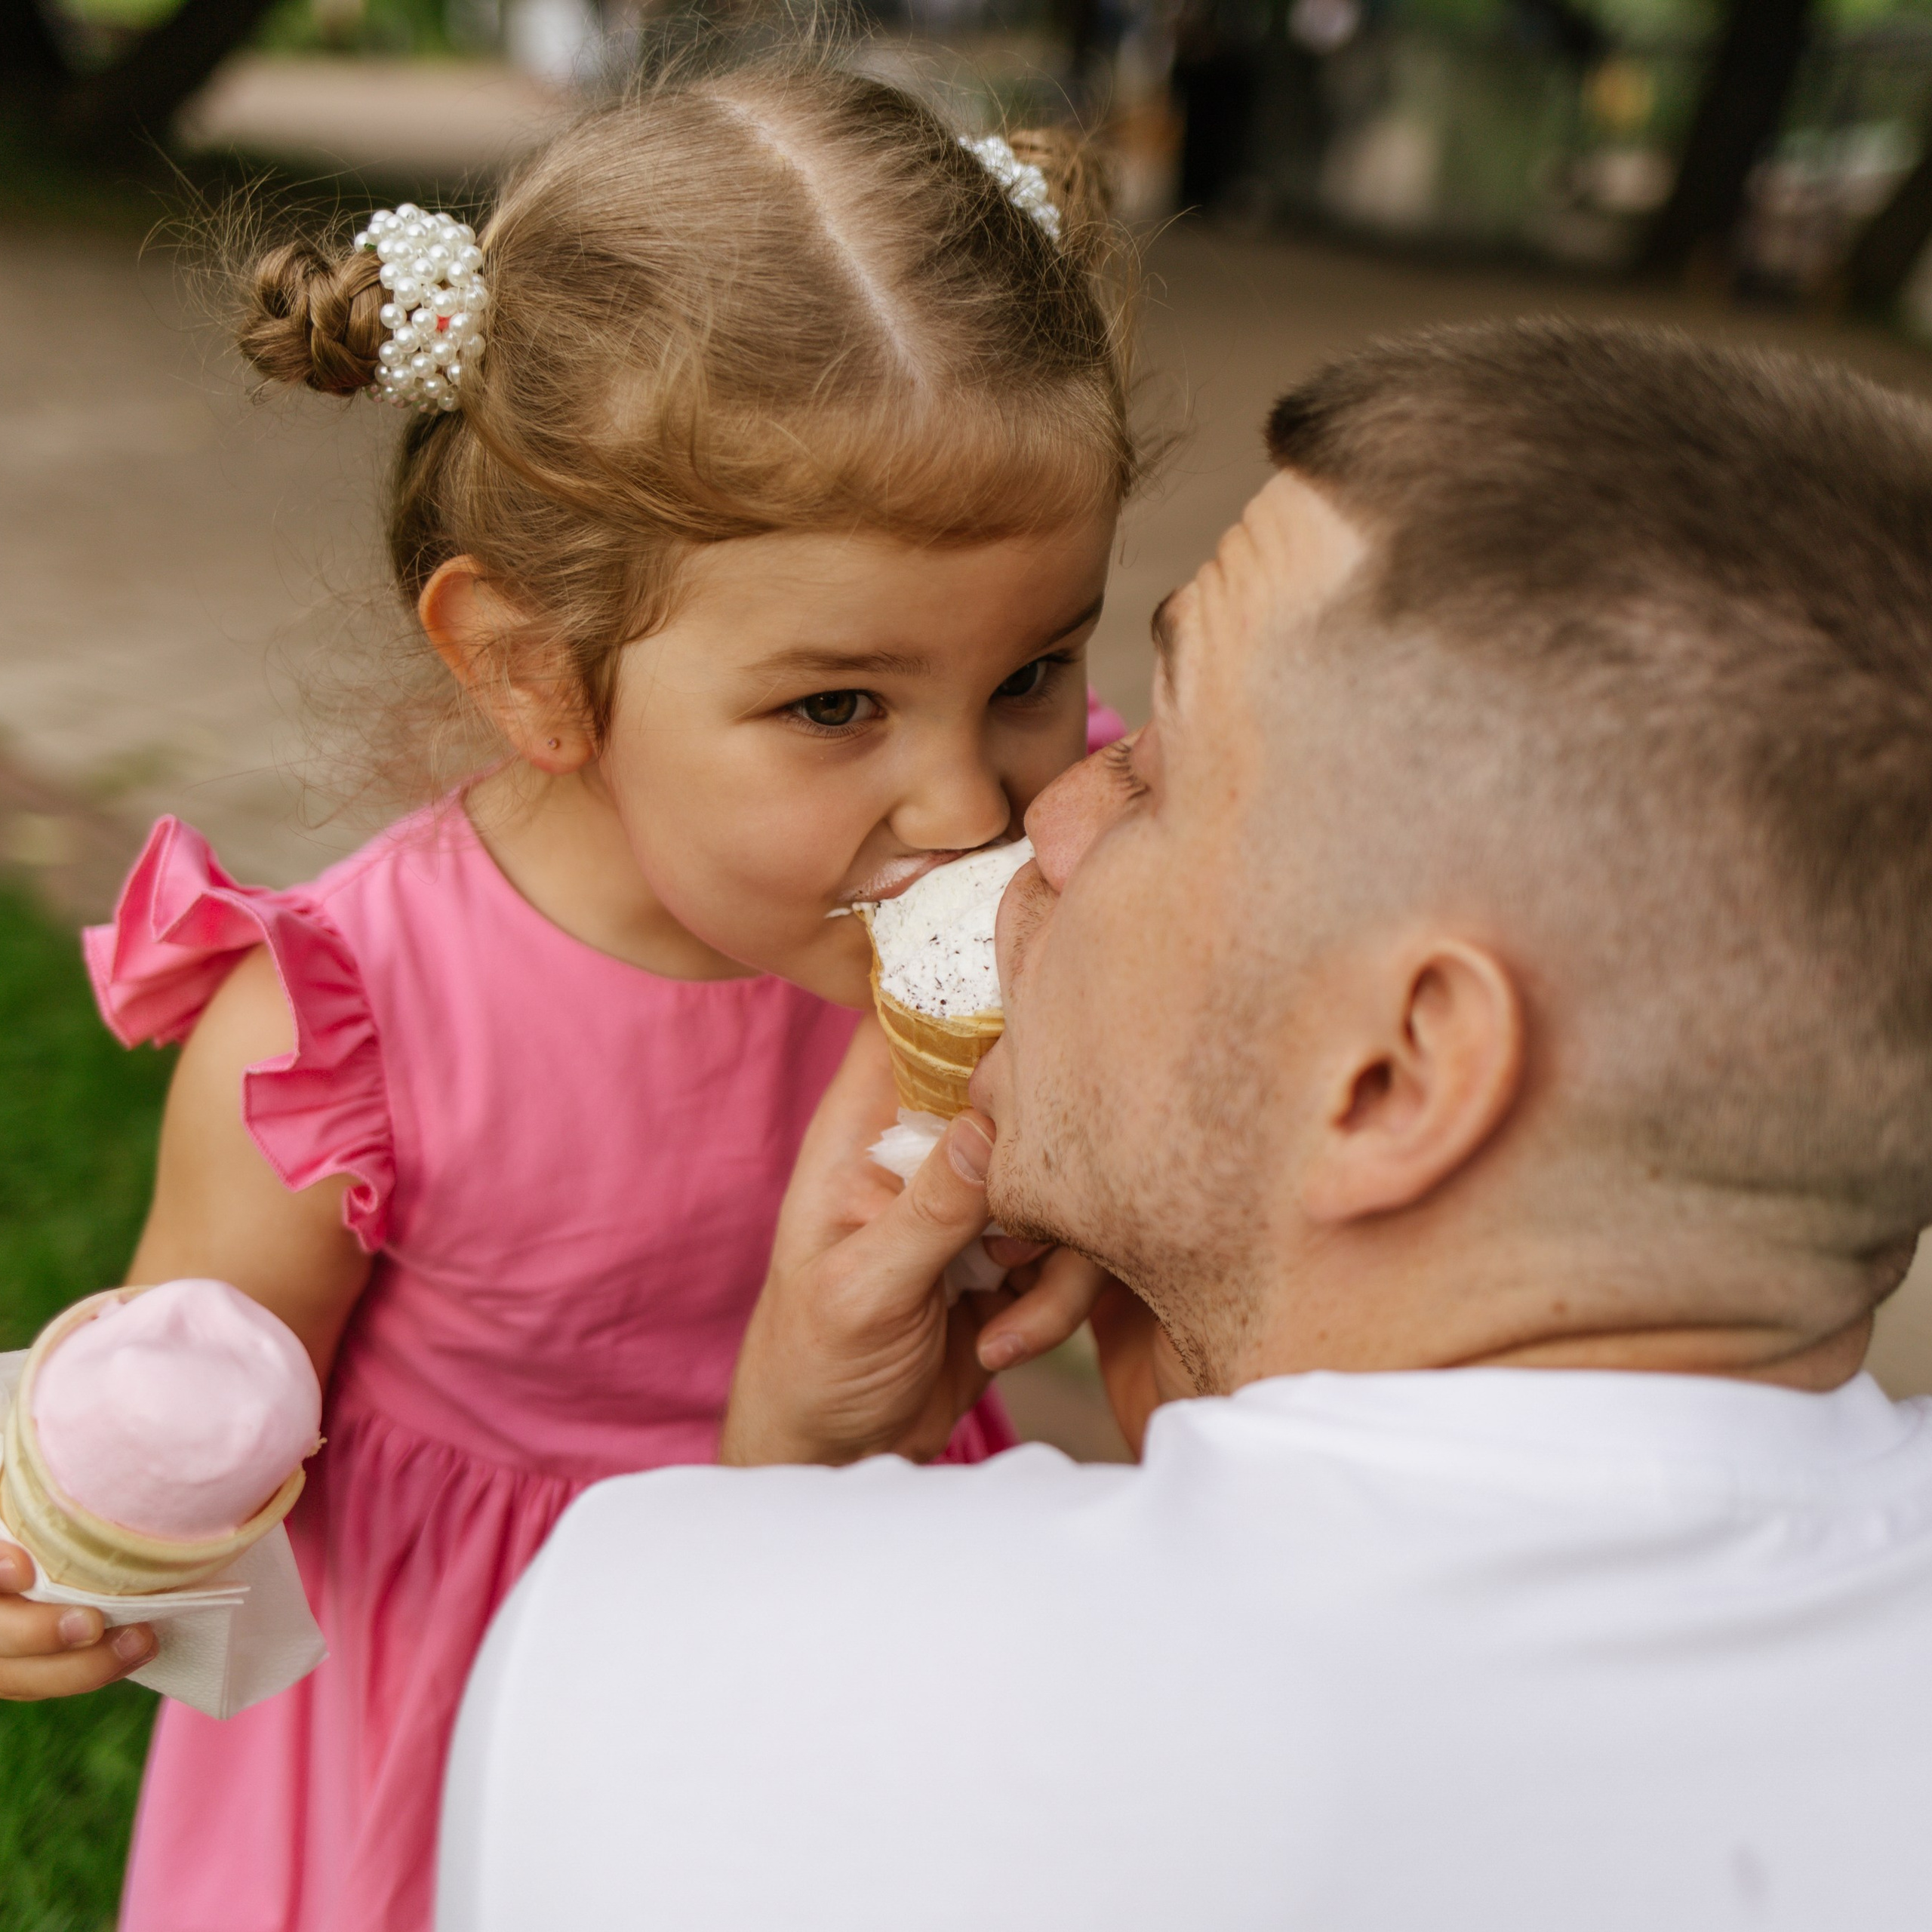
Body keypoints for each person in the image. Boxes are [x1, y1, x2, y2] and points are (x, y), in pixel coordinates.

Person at [443, 320, 1932, 1930]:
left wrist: (787, 1493)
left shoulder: (654, 1661)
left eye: (1149, 778)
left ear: (1396, 1072)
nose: (1037, 816)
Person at [0, 63, 1136, 1932]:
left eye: (1032, 666)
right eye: (837, 705)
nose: (972, 799)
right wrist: (89, 1545)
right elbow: (190, 1399)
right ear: (532, 670)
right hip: (464, 1712)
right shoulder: (339, 1034)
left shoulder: (1067, 870)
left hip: (866, 1611)